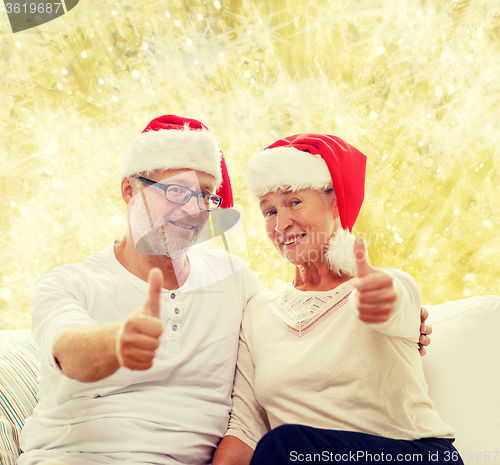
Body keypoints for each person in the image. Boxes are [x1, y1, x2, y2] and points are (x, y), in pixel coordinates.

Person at [18, 115, 265, 465]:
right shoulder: (69, 282)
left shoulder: (235, 280)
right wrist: (116, 343)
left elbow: (252, 405)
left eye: (205, 195)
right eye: (177, 190)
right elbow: (69, 352)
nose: (194, 209)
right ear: (129, 190)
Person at [213, 133, 463, 465]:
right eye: (269, 211)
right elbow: (245, 429)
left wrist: (378, 296)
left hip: (413, 456)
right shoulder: (258, 312)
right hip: (298, 457)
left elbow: (394, 302)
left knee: (288, 445)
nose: (281, 223)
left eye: (294, 202)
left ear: (335, 203)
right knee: (284, 447)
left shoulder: (386, 284)